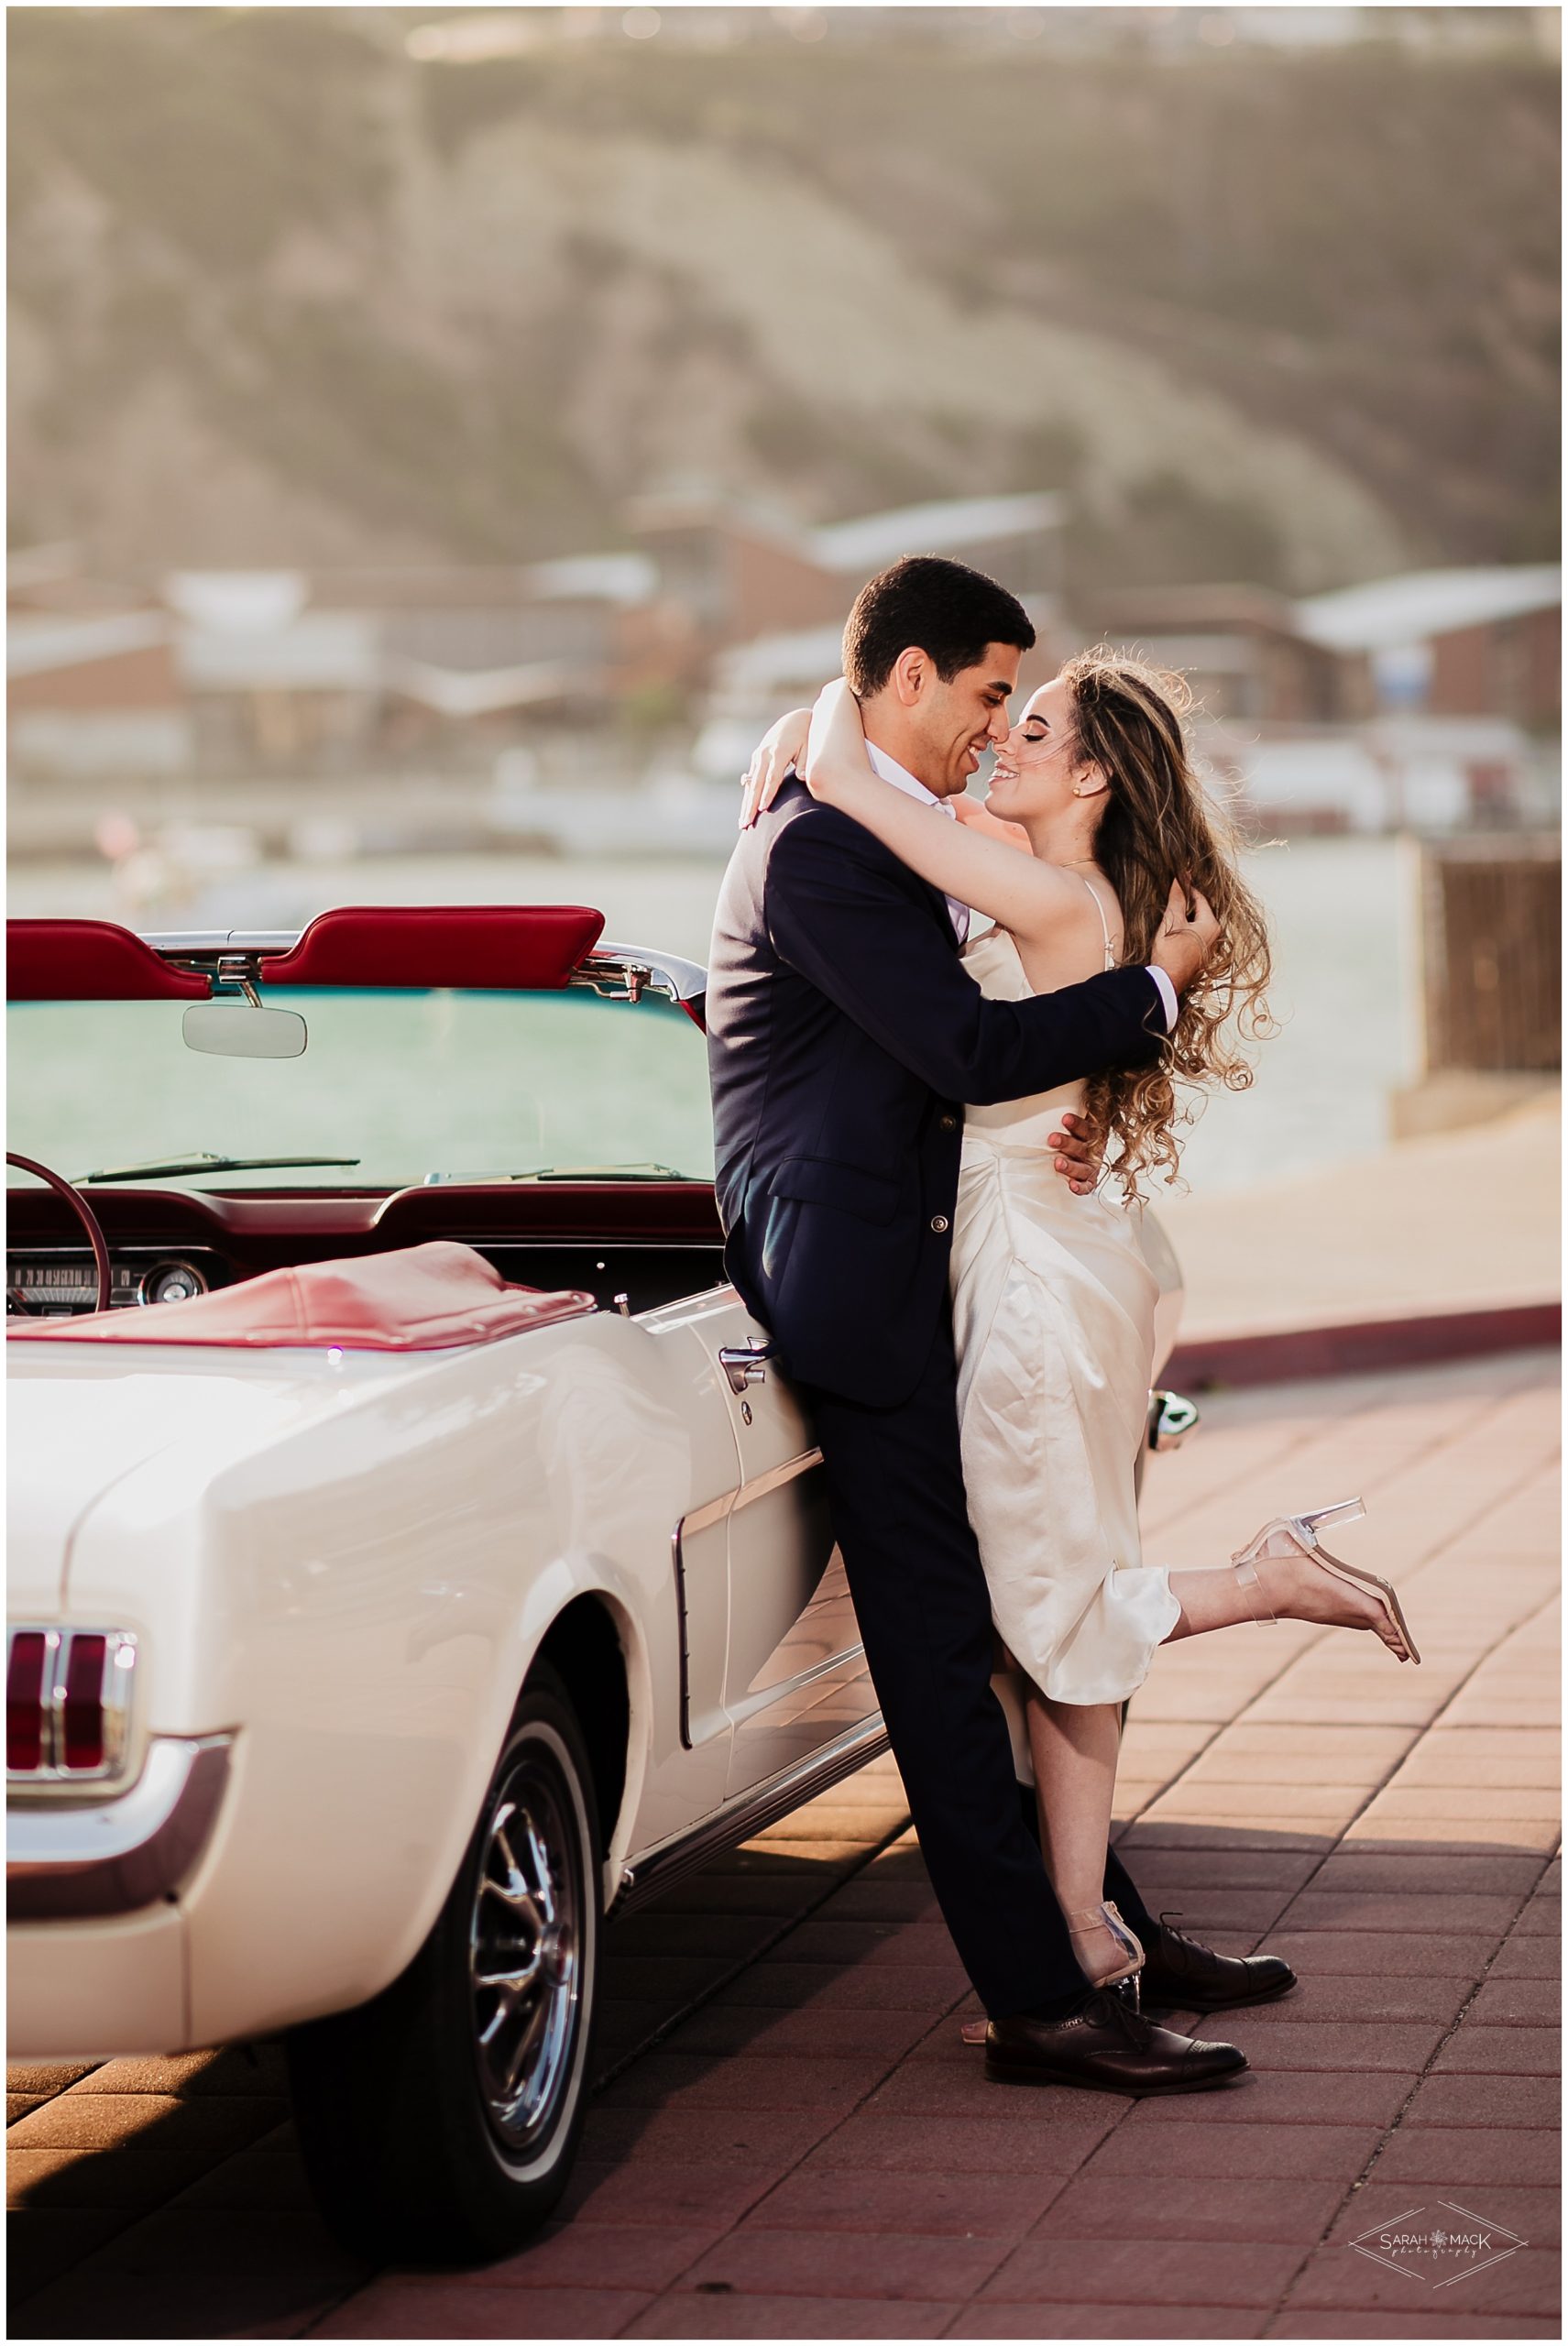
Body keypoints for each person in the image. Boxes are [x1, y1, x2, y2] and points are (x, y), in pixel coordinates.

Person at [737, 603, 1421, 2060]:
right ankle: (1093, 1922)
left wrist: (809, 730)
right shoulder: (1044, 892)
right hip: (1034, 1252)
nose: (1001, 733)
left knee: (1044, 1606)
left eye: (1028, 722)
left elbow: (876, 819)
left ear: (1096, 778)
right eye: (997, 703)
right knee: (1032, 1596)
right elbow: (1005, 1006)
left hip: (1035, 1274)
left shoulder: (1049, 902)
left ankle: (1091, 1929)